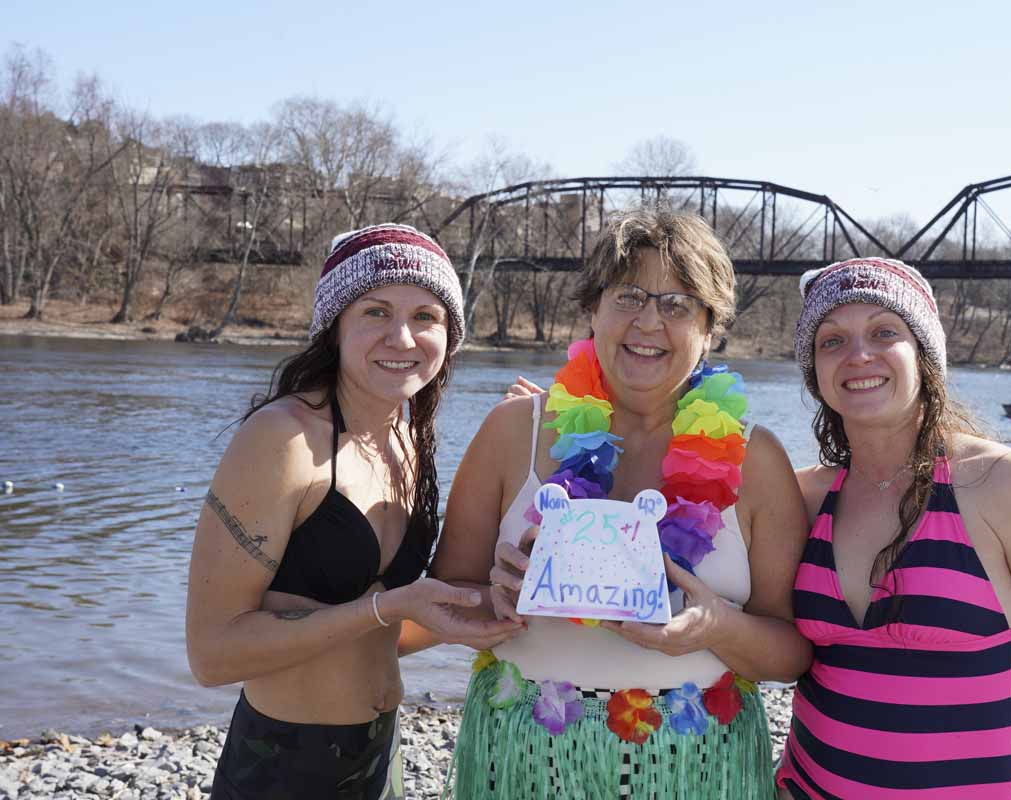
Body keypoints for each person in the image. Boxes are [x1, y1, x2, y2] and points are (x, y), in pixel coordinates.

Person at [430, 210, 811, 798]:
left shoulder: (756, 458)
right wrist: (493, 599)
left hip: (694, 760)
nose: (649, 321)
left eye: (678, 304)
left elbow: (789, 654)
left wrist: (717, 626)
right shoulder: (512, 431)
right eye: (628, 296)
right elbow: (448, 594)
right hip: (529, 753)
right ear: (593, 309)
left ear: (711, 328)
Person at [185, 224, 522, 800]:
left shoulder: (408, 440)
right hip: (284, 765)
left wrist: (533, 434)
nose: (402, 337)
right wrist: (386, 607)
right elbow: (212, 654)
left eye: (426, 316)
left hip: (381, 755)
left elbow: (384, 634)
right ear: (334, 326)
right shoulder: (284, 438)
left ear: (449, 337)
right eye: (376, 311)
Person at [778, 257, 1011, 799]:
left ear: (925, 353)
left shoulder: (1007, 486)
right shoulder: (803, 498)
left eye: (884, 332)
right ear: (814, 371)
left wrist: (954, 723)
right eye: (831, 340)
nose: (858, 355)